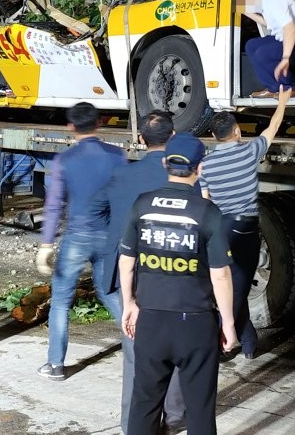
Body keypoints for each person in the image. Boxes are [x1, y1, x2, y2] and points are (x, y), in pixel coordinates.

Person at [120, 133, 237, 435]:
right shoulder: (207, 213)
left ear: (164, 163)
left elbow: (127, 261)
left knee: (144, 403)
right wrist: (228, 322)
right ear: (200, 168)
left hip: (152, 319)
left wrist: (130, 304)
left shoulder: (142, 204)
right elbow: (220, 274)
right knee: (199, 408)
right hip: (195, 323)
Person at [95, 110, 186, 432]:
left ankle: (135, 423)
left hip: (131, 275)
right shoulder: (184, 179)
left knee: (135, 353)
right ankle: (174, 418)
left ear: (139, 140)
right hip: (176, 277)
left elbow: (111, 223)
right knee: (176, 350)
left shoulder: (122, 175)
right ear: (173, 138)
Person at [36, 102, 127, 381]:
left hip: (77, 237)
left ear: (71, 127)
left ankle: (55, 365)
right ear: (99, 122)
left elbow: (54, 206)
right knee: (111, 294)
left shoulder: (65, 160)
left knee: (62, 301)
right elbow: (123, 198)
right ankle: (142, 346)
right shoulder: (117, 155)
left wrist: (46, 245)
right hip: (108, 235)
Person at [199, 87, 292, 359]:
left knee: (232, 287)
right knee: (237, 287)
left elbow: (206, 202)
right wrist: (282, 103)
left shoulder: (206, 164)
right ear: (237, 131)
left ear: (214, 137)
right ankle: (221, 343)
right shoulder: (250, 150)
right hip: (246, 228)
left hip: (221, 228)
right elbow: (273, 127)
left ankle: (249, 342)